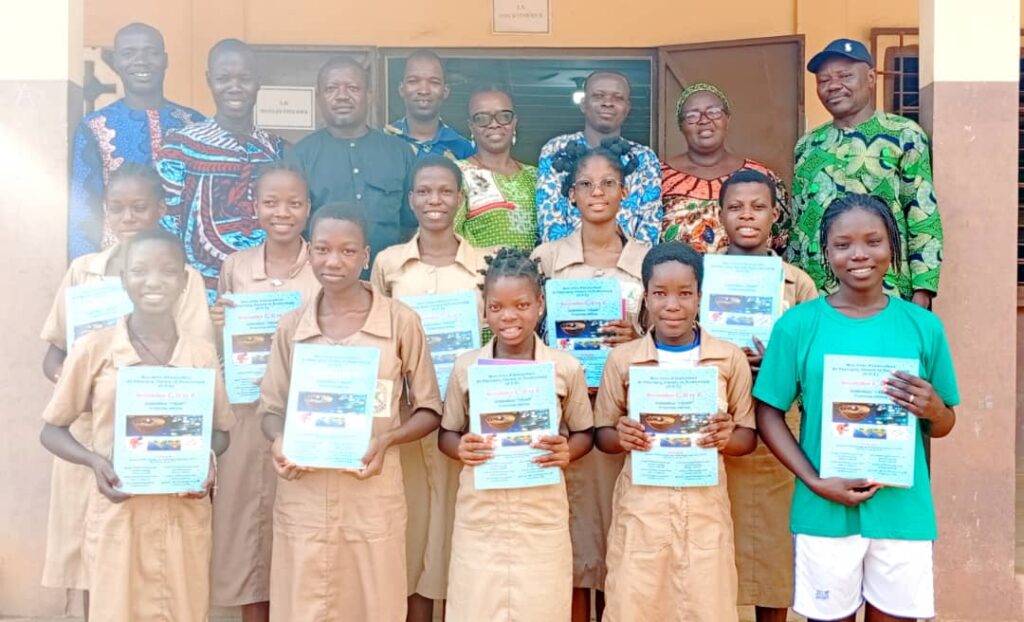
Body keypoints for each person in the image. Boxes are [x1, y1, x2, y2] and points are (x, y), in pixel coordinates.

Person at [754, 193, 959, 621]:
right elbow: (768, 411)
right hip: (825, 510)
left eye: (873, 241)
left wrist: (934, 409)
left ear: (892, 246)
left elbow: (944, 424)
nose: (859, 255)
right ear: (826, 253)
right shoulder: (798, 325)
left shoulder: (923, 326)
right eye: (843, 244)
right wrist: (814, 481)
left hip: (902, 511)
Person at [38, 163, 214, 619]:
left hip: (157, 436)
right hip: (89, 432)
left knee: (147, 559)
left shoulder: (183, 279)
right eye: (117, 208)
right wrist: (80, 384)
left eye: (139, 207)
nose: (128, 217)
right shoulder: (84, 271)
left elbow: (193, 360)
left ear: (160, 209)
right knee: (90, 554)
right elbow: (55, 355)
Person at [259, 203, 444, 622]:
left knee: (373, 601)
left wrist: (387, 439)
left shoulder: (400, 321)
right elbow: (270, 408)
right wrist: (279, 439)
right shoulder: (291, 326)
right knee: (303, 602)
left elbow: (429, 409)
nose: (333, 261)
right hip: (304, 490)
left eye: (347, 251)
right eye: (322, 249)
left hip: (371, 491)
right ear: (310, 253)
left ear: (365, 256)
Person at [594, 241, 757, 622]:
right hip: (642, 509)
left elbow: (747, 438)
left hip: (705, 510)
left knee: (706, 606)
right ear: (646, 297)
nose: (672, 305)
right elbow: (602, 434)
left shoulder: (728, 358)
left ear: (700, 296)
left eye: (685, 293)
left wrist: (726, 437)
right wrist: (622, 435)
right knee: (636, 603)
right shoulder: (623, 359)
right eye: (660, 293)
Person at [439, 247, 595, 622]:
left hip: (540, 511)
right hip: (481, 511)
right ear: (484, 309)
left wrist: (567, 451)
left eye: (521, 305)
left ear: (540, 304)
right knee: (476, 605)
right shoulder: (466, 367)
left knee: (541, 606)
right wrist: (461, 447)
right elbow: (446, 434)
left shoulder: (565, 368)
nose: (508, 316)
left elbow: (585, 433)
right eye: (497, 307)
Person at [370, 156, 493, 622]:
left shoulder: (485, 264)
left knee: (455, 520)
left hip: (465, 415)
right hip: (406, 414)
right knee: (411, 521)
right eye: (423, 191)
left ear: (460, 199)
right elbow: (378, 337)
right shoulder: (389, 264)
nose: (434, 200)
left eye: (444, 191)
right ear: (410, 199)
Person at [530, 140, 649, 622]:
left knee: (623, 533)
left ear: (624, 192)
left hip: (626, 415)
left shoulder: (647, 259)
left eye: (608, 183)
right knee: (578, 534)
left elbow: (668, 333)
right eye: (586, 184)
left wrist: (637, 338)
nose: (597, 192)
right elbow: (527, 331)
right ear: (570, 195)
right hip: (571, 414)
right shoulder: (546, 259)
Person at [208, 161, 320, 622]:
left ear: (308, 208)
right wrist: (219, 325)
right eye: (271, 202)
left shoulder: (323, 264)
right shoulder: (235, 266)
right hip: (246, 411)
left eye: (294, 203)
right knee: (244, 523)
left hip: (303, 413)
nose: (282, 213)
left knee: (297, 519)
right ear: (254, 207)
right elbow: (221, 348)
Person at [715, 169, 817, 622]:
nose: (747, 216)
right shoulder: (700, 277)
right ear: (720, 215)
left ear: (775, 215)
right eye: (735, 207)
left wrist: (778, 362)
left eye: (758, 207)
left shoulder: (798, 284)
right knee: (716, 547)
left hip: (779, 427)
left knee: (774, 547)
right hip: (721, 426)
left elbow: (814, 364)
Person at [790, 38, 943, 307]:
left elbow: (922, 214)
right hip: (817, 292)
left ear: (871, 78)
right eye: (824, 80)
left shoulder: (904, 135)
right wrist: (793, 287)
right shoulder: (807, 145)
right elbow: (798, 222)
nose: (833, 86)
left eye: (845, 76)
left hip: (887, 291)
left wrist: (923, 290)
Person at [157, 39, 286, 302]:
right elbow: (166, 227)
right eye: (223, 78)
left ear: (258, 82)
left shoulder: (277, 150)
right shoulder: (179, 147)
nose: (234, 87)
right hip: (196, 296)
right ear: (209, 80)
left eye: (244, 78)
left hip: (265, 296)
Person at [69, 22, 204, 258]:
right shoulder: (94, 127)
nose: (141, 61)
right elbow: (83, 208)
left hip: (184, 262)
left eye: (151, 52)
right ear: (115, 61)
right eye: (129, 53)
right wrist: (88, 269)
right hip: (117, 262)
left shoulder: (195, 124)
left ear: (165, 60)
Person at [289, 56, 415, 272]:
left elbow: (411, 223)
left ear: (369, 95)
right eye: (331, 89)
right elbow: (292, 228)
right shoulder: (300, 156)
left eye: (353, 88)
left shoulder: (399, 152)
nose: (342, 96)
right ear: (319, 97)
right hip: (323, 280)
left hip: (388, 279)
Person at [660, 82, 790, 254]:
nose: (704, 120)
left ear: (727, 119)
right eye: (692, 115)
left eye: (713, 112)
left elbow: (782, 240)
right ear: (681, 126)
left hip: (749, 271)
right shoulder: (658, 177)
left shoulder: (763, 176)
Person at [536, 70, 662, 245]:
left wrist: (628, 259)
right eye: (598, 96)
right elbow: (550, 219)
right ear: (583, 104)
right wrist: (572, 259)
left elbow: (649, 225)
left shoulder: (643, 158)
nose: (607, 103)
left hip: (631, 260)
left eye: (618, 98)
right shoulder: (557, 151)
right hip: (565, 259)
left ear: (627, 108)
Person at [454, 87, 538, 250]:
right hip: (478, 266)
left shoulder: (536, 176)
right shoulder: (457, 174)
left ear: (514, 122)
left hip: (536, 266)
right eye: (482, 118)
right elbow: (448, 236)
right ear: (471, 126)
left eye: (504, 116)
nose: (494, 124)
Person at [385, 49, 475, 160]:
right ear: (401, 89)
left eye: (434, 82)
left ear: (445, 91)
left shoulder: (464, 149)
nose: (424, 91)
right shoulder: (382, 143)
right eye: (413, 81)